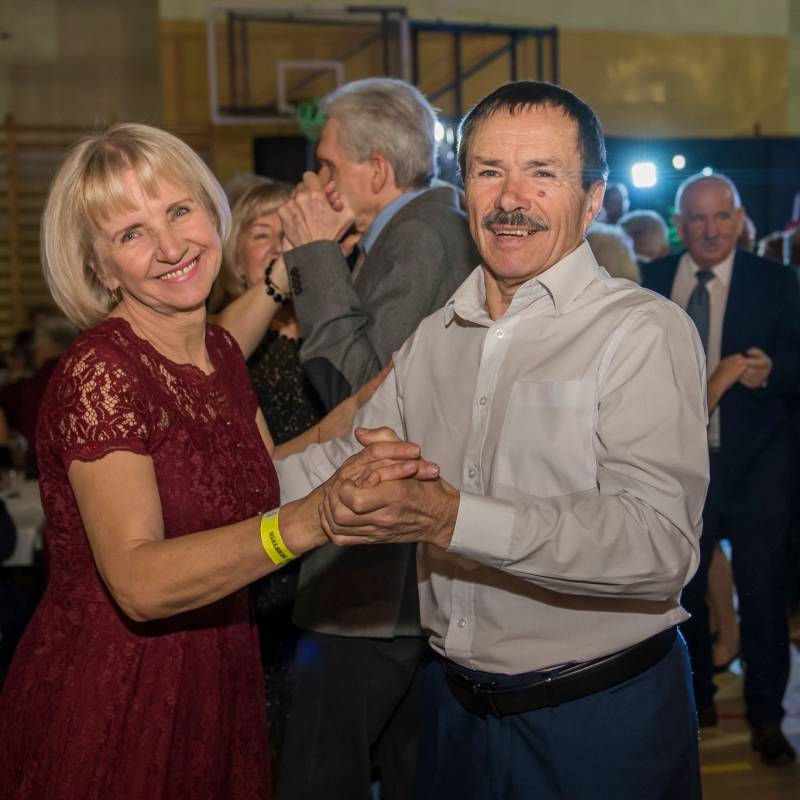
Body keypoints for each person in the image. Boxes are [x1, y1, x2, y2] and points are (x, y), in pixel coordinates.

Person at [277, 80, 709, 799]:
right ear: (464, 190)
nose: (511, 199)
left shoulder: (640, 331)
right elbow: (346, 459)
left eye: (542, 173)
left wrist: (454, 519)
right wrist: (206, 488)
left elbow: (657, 545)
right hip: (453, 717)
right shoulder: (437, 337)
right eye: (488, 172)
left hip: (599, 722)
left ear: (593, 198)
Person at [0, 123, 404, 799]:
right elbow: (138, 581)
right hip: (119, 693)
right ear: (100, 268)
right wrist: (307, 522)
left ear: (211, 212)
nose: (170, 246)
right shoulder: (101, 373)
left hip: (218, 672)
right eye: (131, 233)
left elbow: (250, 472)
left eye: (179, 211)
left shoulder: (216, 354)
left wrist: (356, 413)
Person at [275, 78, 479, 800]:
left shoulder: (424, 232)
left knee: (319, 776)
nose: (316, 181)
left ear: (378, 170)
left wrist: (313, 255)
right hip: (391, 575)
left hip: (379, 580)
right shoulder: (410, 228)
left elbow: (365, 397)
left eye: (327, 164)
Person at [642, 172, 800, 765]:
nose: (710, 230)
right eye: (698, 219)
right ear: (680, 225)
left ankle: (766, 718)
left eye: (721, 217)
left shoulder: (775, 279)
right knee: (679, 589)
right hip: (679, 464)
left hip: (760, 464)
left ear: (739, 221)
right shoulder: (654, 280)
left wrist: (773, 371)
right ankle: (695, 701)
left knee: (762, 596)